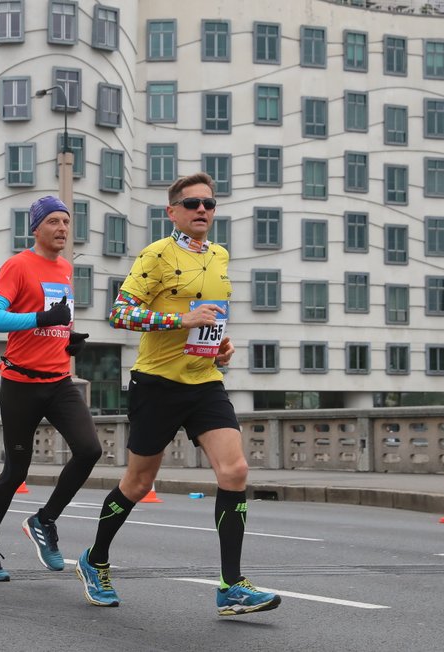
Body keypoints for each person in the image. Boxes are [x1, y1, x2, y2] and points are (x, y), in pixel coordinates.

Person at [74, 173, 280, 616]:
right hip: (157, 384)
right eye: (191, 204)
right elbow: (120, 313)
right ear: (172, 212)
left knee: (236, 470)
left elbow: (212, 317)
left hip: (204, 379)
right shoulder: (156, 255)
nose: (202, 210)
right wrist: (181, 321)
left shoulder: (220, 256)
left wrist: (220, 346)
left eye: (208, 203)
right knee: (138, 483)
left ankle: (230, 586)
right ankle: (95, 560)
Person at [0, 195, 101, 582]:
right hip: (21, 383)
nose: (62, 228)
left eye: (66, 222)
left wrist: (69, 337)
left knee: (90, 450)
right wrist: (42, 317)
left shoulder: (64, 269)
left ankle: (45, 520)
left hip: (59, 381)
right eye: (54, 222)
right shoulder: (18, 265)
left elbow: (53, 322)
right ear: (36, 228)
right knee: (16, 472)